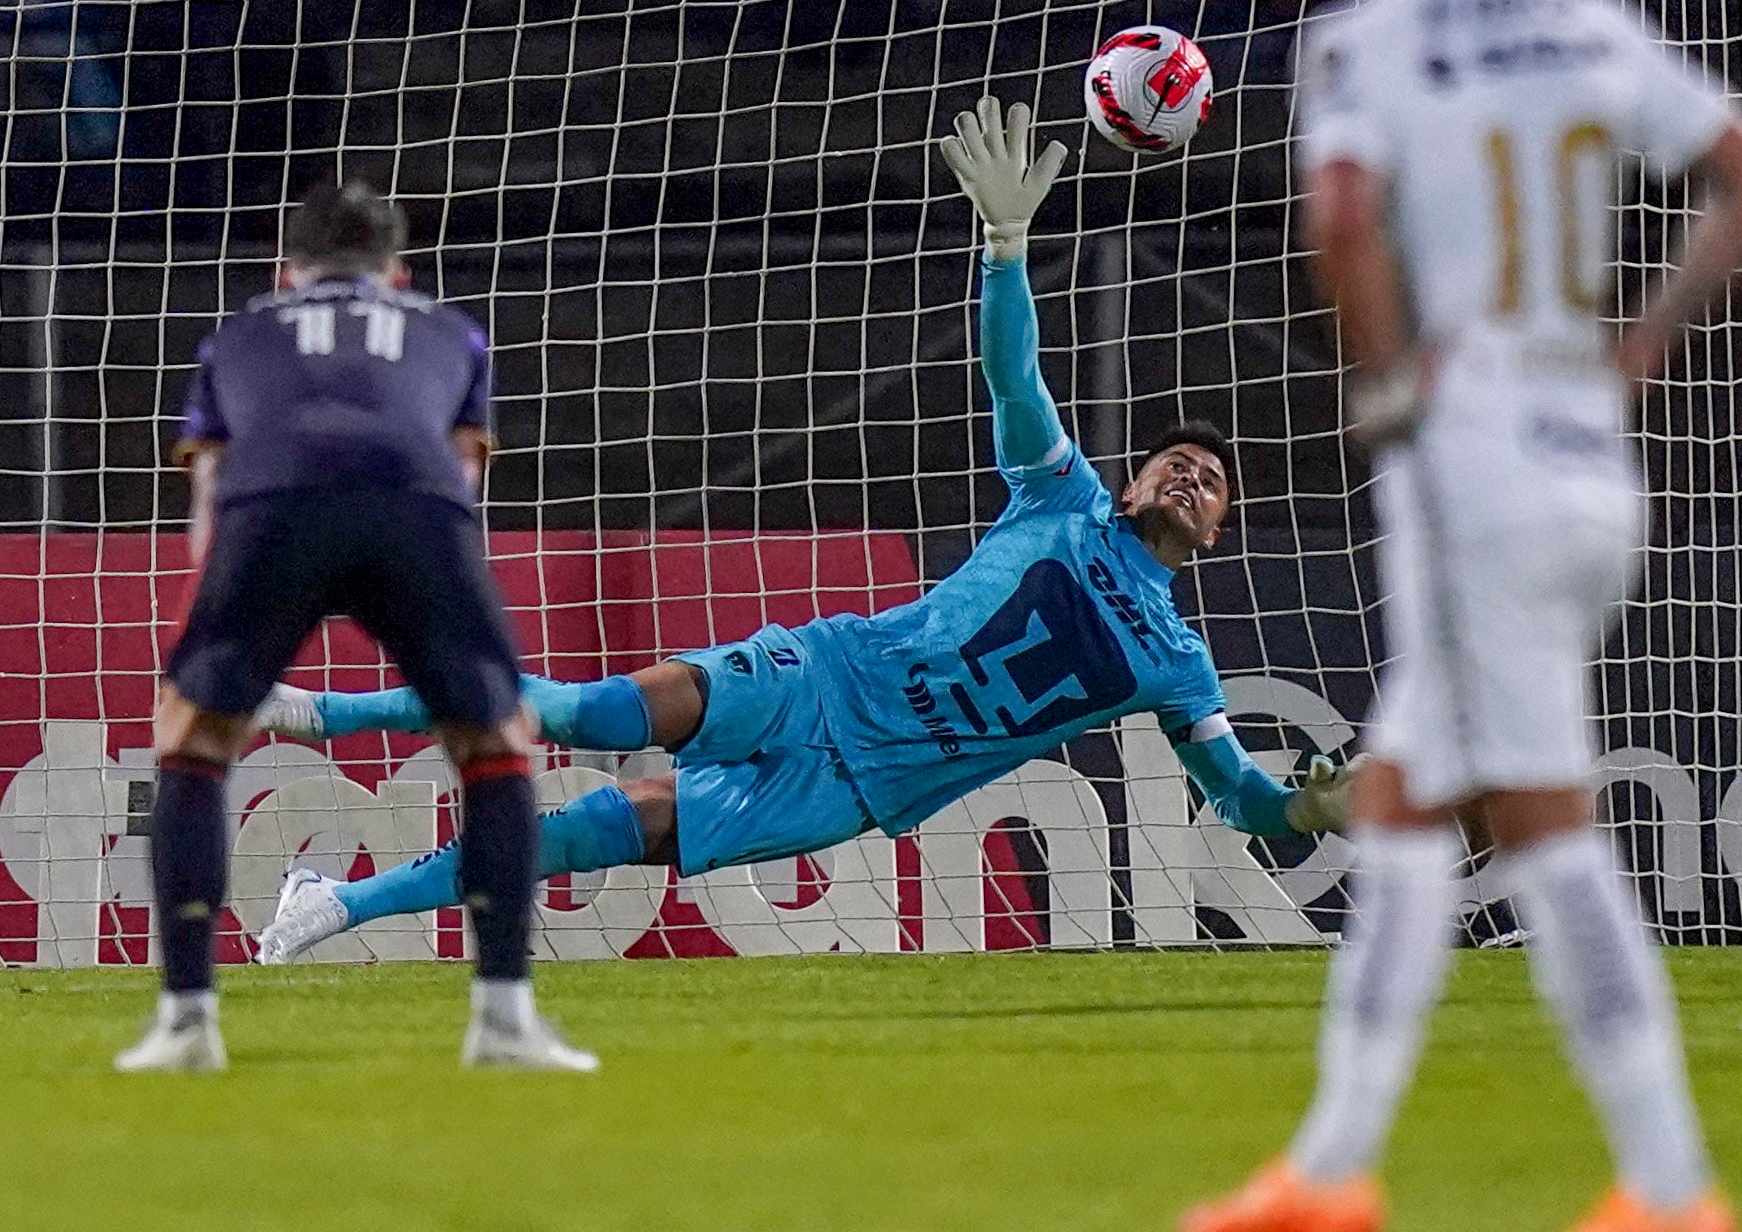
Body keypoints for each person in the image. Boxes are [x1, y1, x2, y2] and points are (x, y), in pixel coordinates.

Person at [253, 98, 1352, 963]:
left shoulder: (1179, 663)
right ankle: (318, 711)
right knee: (585, 708)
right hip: (825, 670)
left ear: (1216, 531)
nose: (1193, 473)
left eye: (1211, 480)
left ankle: (335, 901)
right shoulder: (1063, 498)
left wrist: (1311, 798)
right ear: (1132, 485)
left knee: (596, 831)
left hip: (855, 787)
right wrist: (1006, 248)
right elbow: (1014, 380)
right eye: (1175, 460)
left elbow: (1242, 798)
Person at [1178, 0, 1742, 1232]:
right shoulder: (1582, 18)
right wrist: (1634, 349)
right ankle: (1328, 1168)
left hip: (1469, 472)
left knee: (1536, 820)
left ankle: (1666, 1184)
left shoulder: (1360, 38)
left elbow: (1336, 220)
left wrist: (1391, 382)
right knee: (1395, 796)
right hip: (1588, 456)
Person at [120, 181, 592, 1074]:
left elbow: (209, 490)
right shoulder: (450, 332)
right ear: (398, 272)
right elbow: (462, 477)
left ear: (286, 274)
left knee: (191, 739)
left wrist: (215, 640)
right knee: (497, 740)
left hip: (273, 512)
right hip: (413, 513)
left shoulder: (241, 334)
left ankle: (187, 1022)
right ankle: (504, 1019)